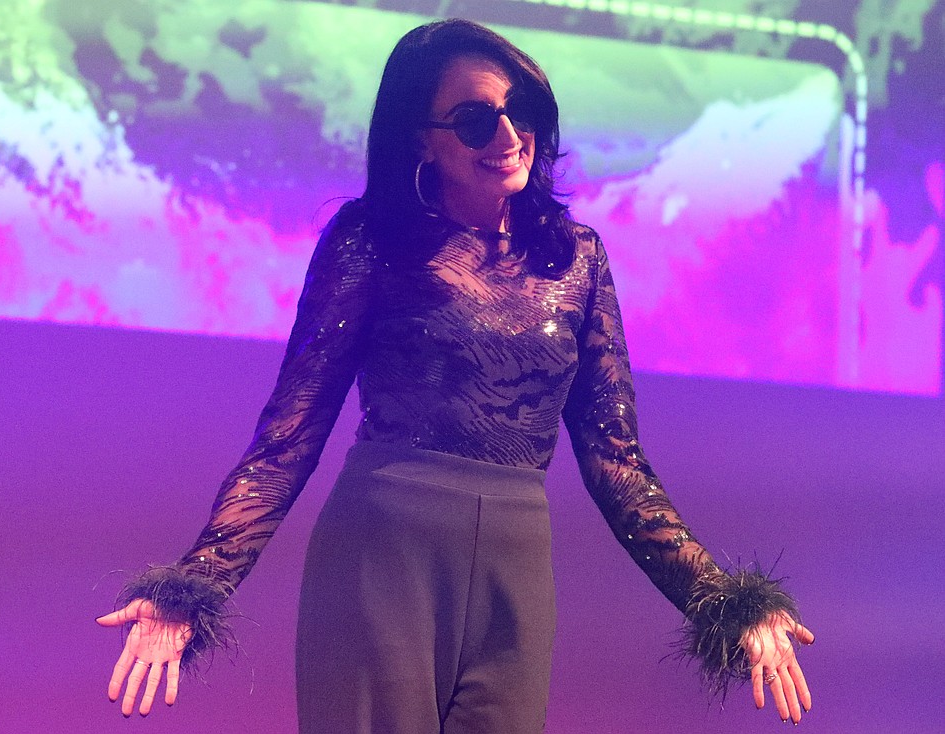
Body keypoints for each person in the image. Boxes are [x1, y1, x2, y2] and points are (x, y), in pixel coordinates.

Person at [96, 18, 813, 732]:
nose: (507, 136)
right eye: (475, 120)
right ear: (422, 139)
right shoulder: (370, 242)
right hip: (382, 557)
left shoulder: (577, 259)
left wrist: (725, 601)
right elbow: (289, 436)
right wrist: (193, 587)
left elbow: (616, 460)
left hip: (514, 574)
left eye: (519, 111)